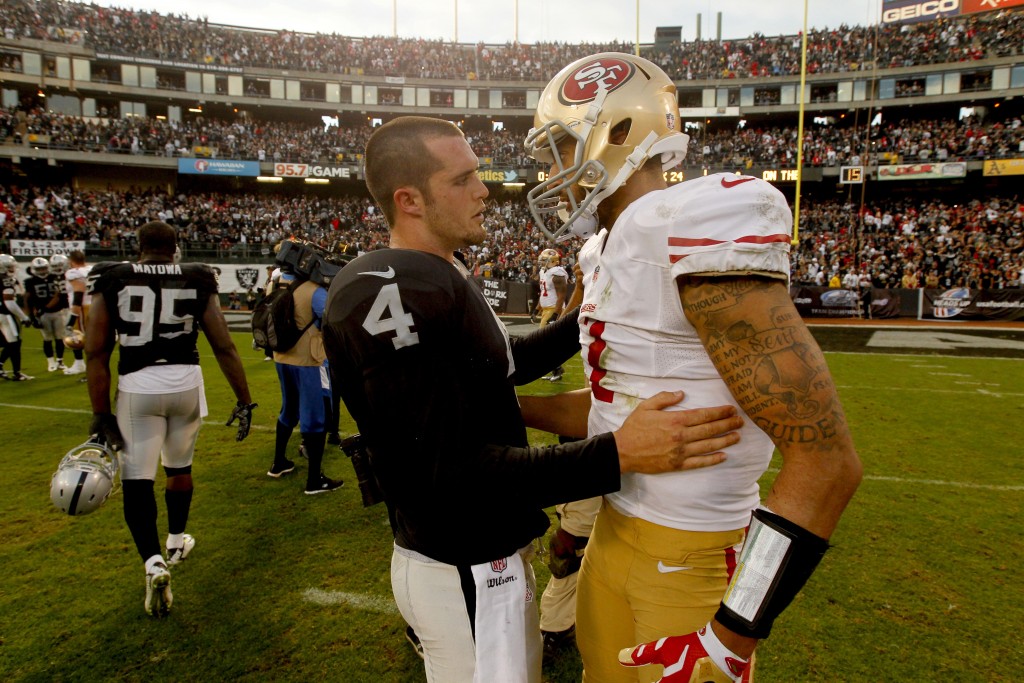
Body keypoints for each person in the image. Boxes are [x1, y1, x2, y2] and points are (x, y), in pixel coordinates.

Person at [321, 116, 746, 683]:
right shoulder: (393, 290)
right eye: (463, 179)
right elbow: (450, 472)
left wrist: (590, 311)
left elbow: (506, 366)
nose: (484, 190)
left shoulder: (435, 273)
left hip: (476, 558)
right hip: (463, 564)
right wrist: (618, 453)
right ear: (410, 200)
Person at [525, 53, 862, 682]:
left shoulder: (691, 221)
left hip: (694, 556)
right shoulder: (606, 246)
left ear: (616, 134)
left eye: (560, 148)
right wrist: (503, 407)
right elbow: (612, 410)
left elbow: (826, 460)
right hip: (611, 536)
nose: (550, 171)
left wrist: (731, 637)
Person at [84, 221, 257, 617]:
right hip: (186, 382)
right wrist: (244, 400)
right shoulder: (197, 276)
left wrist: (99, 412)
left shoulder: (115, 277)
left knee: (138, 477)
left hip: (138, 385)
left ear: (138, 246)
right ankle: (177, 540)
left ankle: (154, 561)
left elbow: (95, 351)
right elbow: (223, 343)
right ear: (176, 247)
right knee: (179, 468)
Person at [265, 252, 343, 495]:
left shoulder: (278, 284)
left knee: (288, 410)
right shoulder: (313, 290)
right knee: (315, 419)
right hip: (307, 359)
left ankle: (279, 462)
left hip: (282, 356)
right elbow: (330, 320)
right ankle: (314, 480)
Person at [23, 256, 68, 372]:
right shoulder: (30, 281)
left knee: (59, 338)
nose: (42, 271)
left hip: (57, 311)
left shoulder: (55, 277)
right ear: (33, 269)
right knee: (47, 338)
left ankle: (60, 361)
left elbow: (59, 294)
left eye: (43, 268)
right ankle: (51, 362)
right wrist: (31, 317)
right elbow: (27, 299)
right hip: (42, 314)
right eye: (39, 269)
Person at [536, 248, 569, 381]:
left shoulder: (557, 273)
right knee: (547, 342)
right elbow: (544, 292)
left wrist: (556, 313)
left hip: (552, 309)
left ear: (553, 261)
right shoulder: (545, 272)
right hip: (546, 310)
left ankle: (557, 370)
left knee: (544, 341)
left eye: (544, 260)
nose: (542, 263)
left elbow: (562, 296)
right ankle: (556, 369)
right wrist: (537, 309)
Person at [0, 253, 34, 381]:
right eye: (9, 267)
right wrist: (24, 317)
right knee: (14, 343)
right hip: (6, 315)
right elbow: (9, 301)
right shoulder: (6, 279)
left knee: (9, 343)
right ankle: (17, 373)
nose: (12, 269)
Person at [62, 249, 91, 376]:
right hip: (94, 306)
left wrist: (72, 318)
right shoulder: (91, 269)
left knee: (77, 337)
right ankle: (82, 365)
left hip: (81, 308)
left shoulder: (73, 273)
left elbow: (78, 294)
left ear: (71, 261)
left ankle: (81, 365)